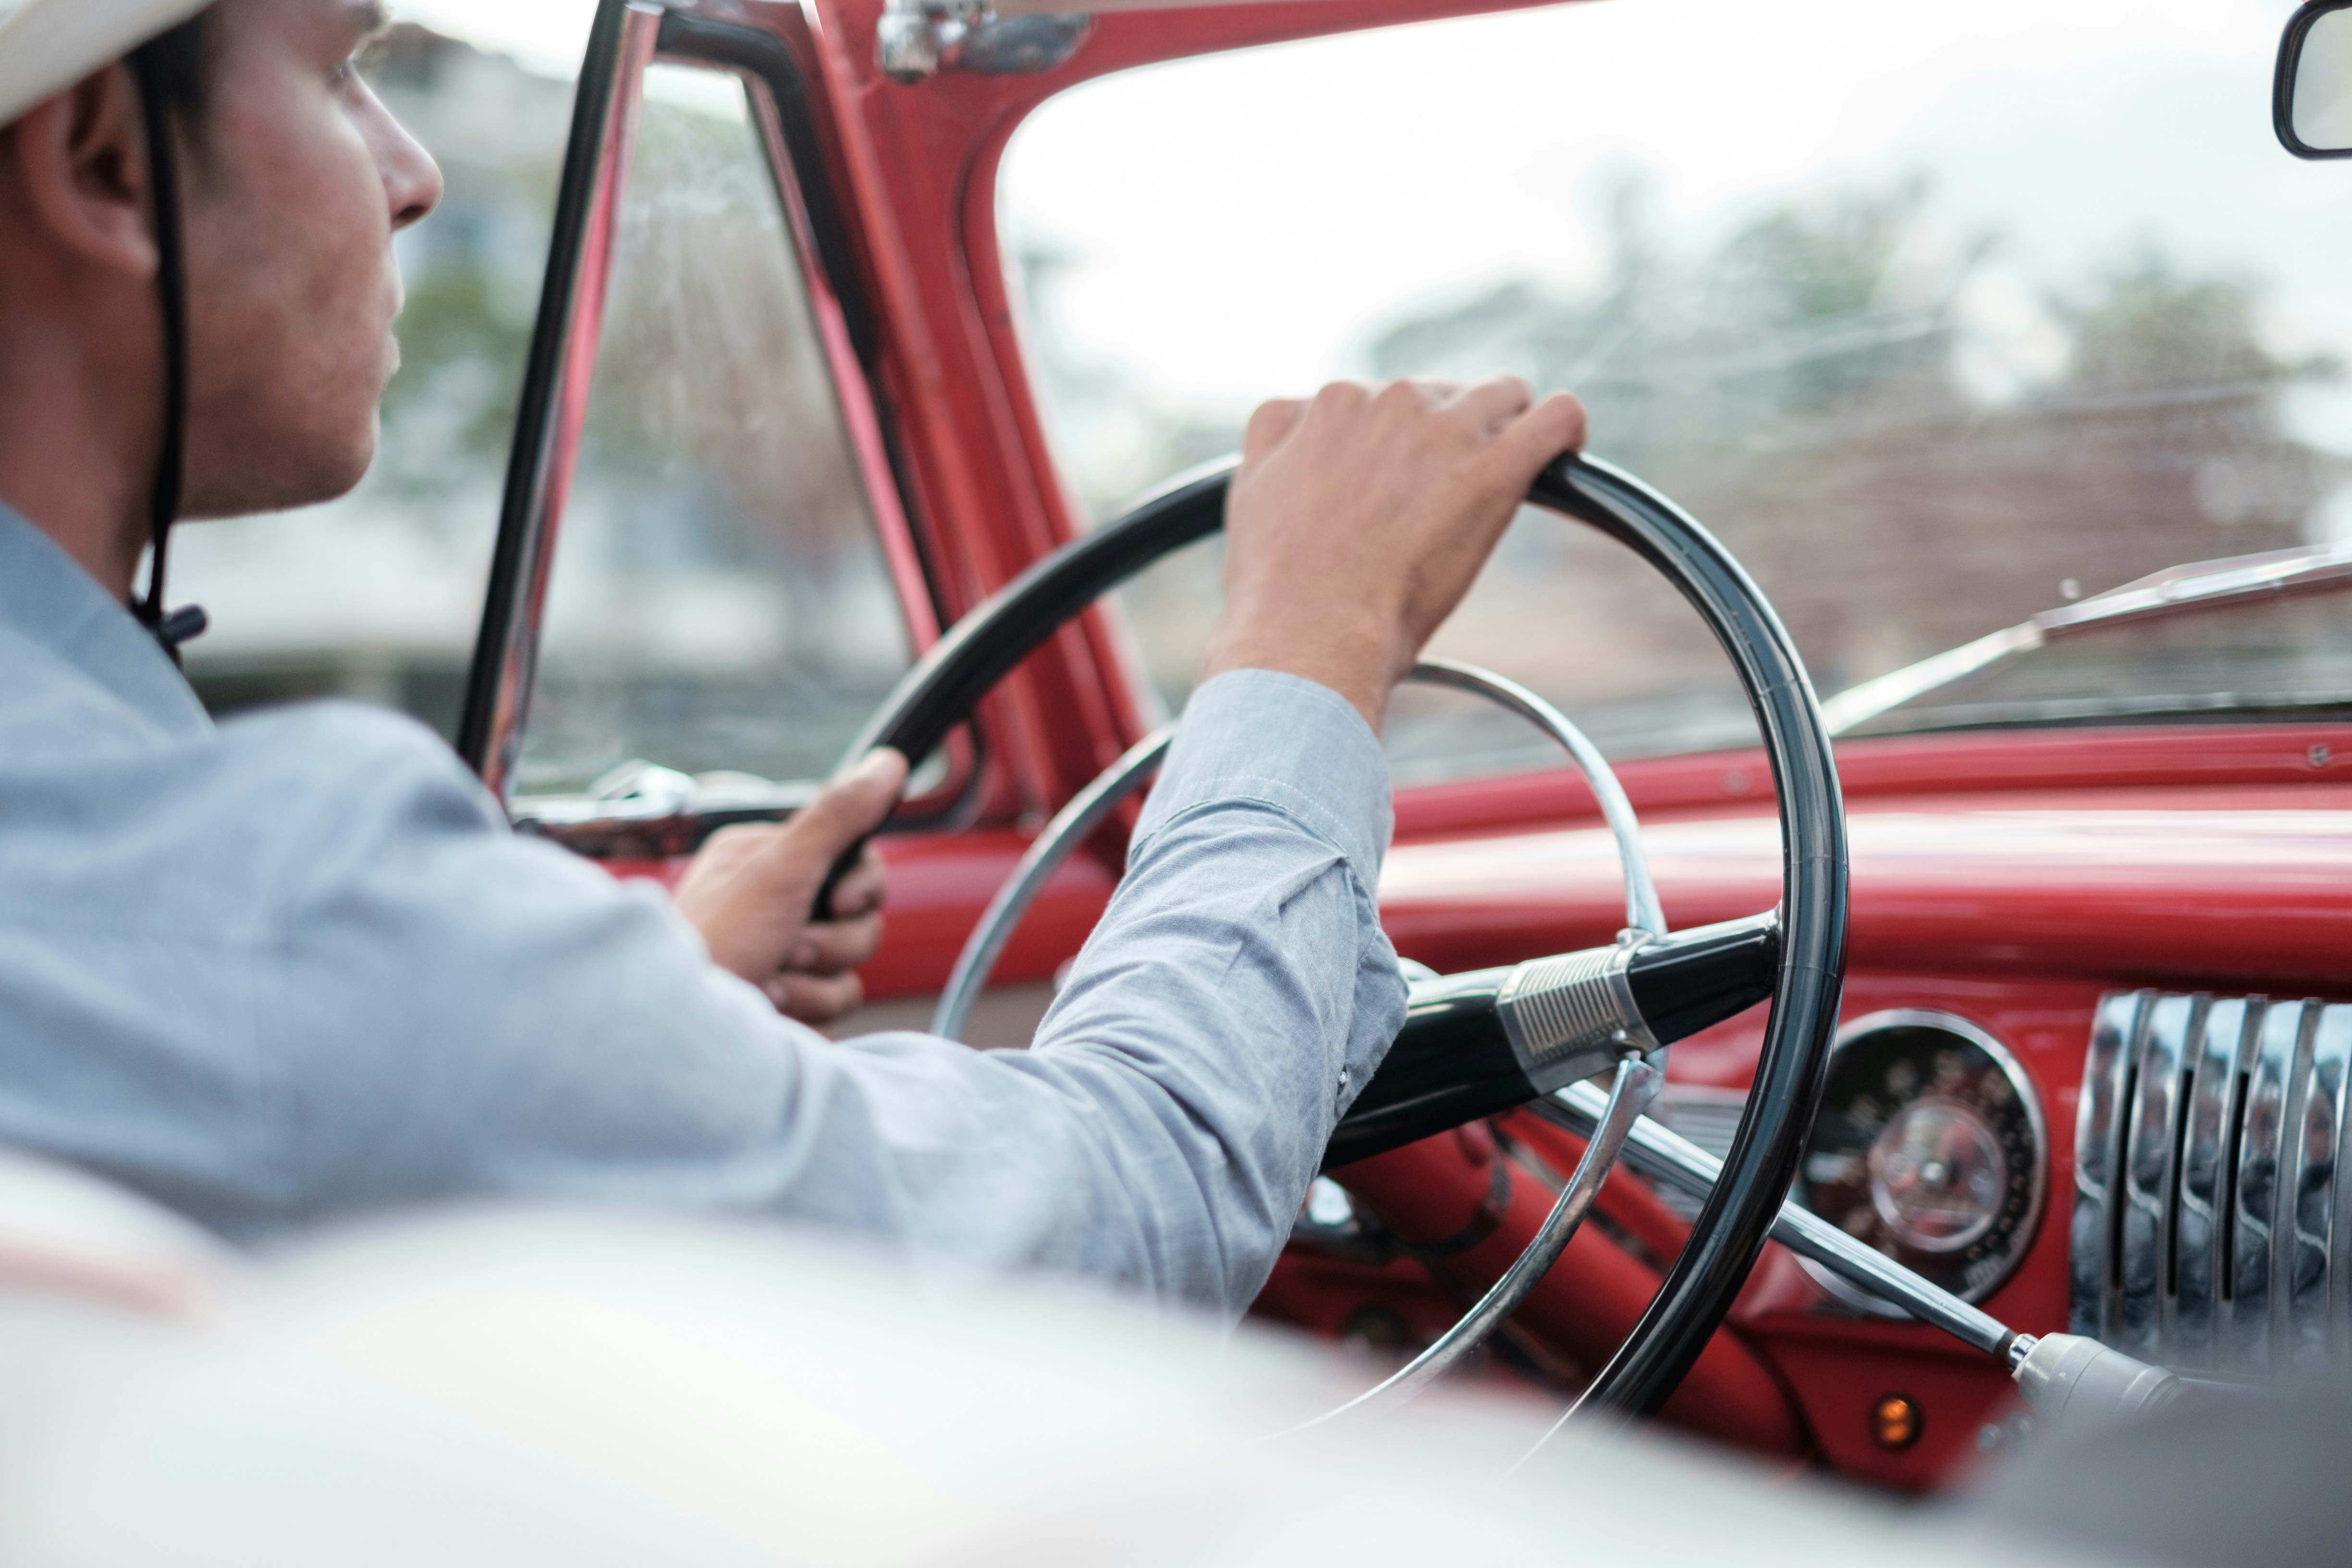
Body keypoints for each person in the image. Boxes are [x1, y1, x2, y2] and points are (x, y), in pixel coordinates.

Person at [0, 0, 1585, 1317]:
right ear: (107, 158)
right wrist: (1311, 645)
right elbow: (1126, 1194)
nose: (411, 174)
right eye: (345, 71)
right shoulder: (267, 903)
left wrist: (627, 1015)